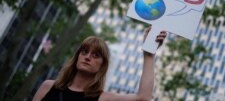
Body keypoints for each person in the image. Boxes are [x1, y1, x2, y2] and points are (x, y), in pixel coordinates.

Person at [33, 27, 167, 101]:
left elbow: (143, 98)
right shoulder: (48, 87)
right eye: (84, 52)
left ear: (102, 65)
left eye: (96, 55)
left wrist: (149, 54)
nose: (87, 57)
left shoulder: (104, 98)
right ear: (77, 56)